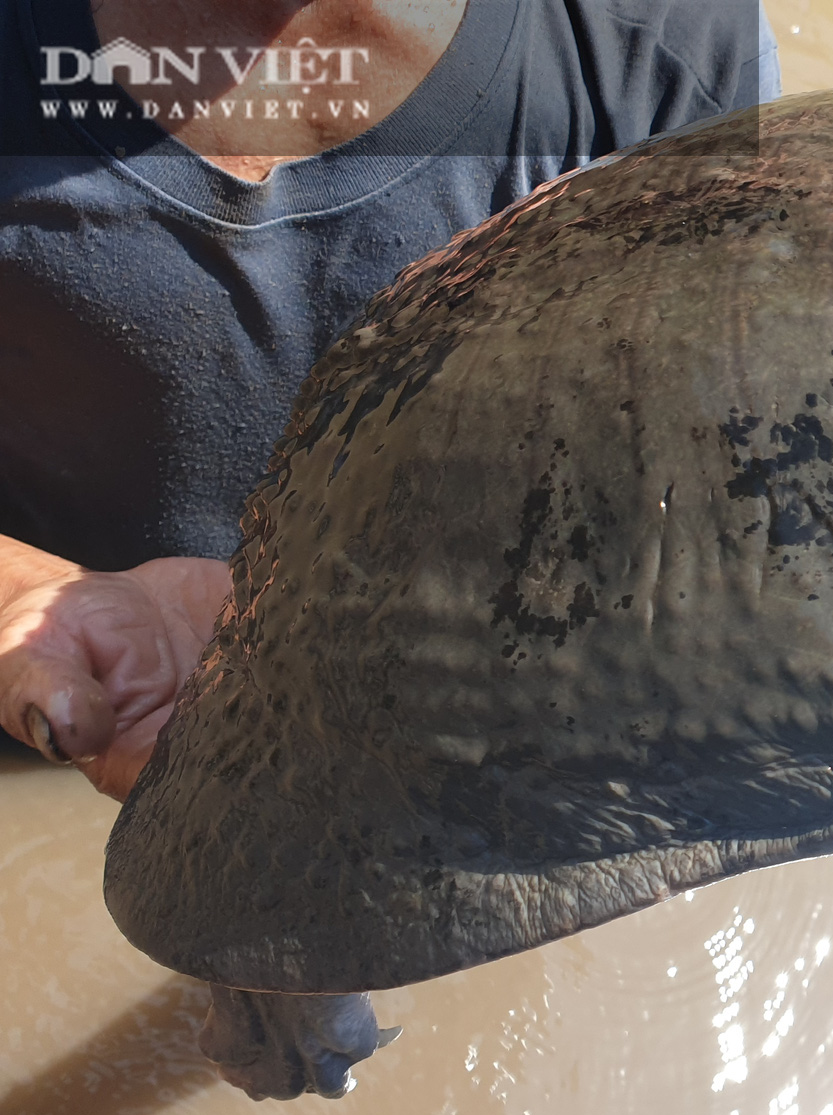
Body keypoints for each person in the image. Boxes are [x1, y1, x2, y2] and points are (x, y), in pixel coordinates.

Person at [0, 0, 779, 798]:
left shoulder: (667, 42)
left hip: (432, 722)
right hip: (54, 699)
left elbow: (703, 484)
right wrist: (24, 590)